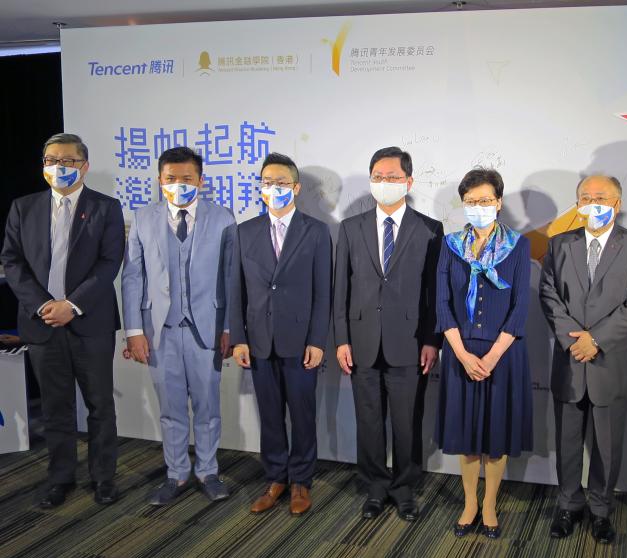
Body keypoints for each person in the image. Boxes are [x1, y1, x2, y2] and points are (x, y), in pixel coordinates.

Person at [1, 133, 125, 507]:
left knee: (100, 405)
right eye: (51, 159)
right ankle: (61, 477)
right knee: (56, 407)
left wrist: (72, 304)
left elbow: (109, 262)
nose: (59, 166)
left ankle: (104, 478)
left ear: (84, 166)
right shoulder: (24, 208)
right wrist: (43, 305)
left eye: (68, 161)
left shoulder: (106, 208)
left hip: (90, 322)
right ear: (42, 167)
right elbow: (12, 261)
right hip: (41, 323)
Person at [539, 174, 627, 544]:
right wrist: (574, 340)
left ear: (617, 204)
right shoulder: (558, 245)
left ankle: (601, 510)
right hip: (570, 359)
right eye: (585, 197)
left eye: (601, 197)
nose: (593, 203)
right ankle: (568, 505)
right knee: (568, 440)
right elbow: (549, 294)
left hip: (610, 362)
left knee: (607, 443)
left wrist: (597, 340)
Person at [333, 147, 443, 522]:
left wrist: (432, 340)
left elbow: (434, 292)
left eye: (393, 177)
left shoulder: (429, 229)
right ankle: (375, 486)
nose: (385, 183)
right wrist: (341, 339)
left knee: (407, 420)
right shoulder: (350, 228)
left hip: (410, 342)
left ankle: (405, 487)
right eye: (378, 177)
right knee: (368, 418)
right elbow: (340, 291)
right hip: (362, 341)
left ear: (409, 182)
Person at [120, 146, 235, 505]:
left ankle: (207, 470)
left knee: (207, 405)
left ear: (201, 181)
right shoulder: (142, 218)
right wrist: (134, 330)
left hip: (207, 328)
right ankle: (176, 474)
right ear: (159, 180)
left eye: (186, 179)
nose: (178, 185)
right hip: (160, 330)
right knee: (170, 408)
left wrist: (230, 326)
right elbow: (132, 277)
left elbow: (231, 277)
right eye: (170, 179)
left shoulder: (223, 218)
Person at [230, 153, 331, 516]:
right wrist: (239, 338)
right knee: (269, 414)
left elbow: (324, 292)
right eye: (267, 183)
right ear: (260, 189)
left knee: (302, 414)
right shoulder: (244, 231)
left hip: (301, 342)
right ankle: (276, 478)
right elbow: (236, 290)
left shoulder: (316, 231)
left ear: (296, 188)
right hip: (258, 342)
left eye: (282, 183)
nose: (274, 189)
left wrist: (318, 341)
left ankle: (301, 481)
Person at [435, 169, 532, 539]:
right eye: (471, 202)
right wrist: (460, 353)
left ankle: (490, 503)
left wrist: (491, 358)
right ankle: (469, 502)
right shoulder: (450, 244)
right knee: (466, 433)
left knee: (495, 435)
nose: (478, 207)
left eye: (486, 201)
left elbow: (521, 307)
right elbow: (442, 303)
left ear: (499, 203)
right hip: (461, 352)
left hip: (503, 355)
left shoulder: (518, 246)